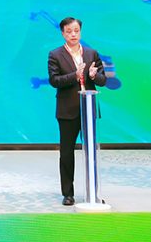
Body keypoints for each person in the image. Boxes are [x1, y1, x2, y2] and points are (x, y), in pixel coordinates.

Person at [48, 17, 106, 206]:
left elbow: (103, 80)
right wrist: (75, 75)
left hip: (88, 109)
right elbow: (54, 81)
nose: (73, 34)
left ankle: (93, 193)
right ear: (63, 33)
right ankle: (68, 194)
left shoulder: (91, 53)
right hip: (67, 110)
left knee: (91, 152)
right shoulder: (55, 55)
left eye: (76, 31)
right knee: (66, 153)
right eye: (69, 31)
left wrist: (94, 76)